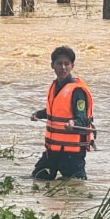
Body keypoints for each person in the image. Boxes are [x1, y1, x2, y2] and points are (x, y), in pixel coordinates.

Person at [30, 46, 94, 180]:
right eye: (59, 63)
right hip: (53, 150)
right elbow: (54, 112)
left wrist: (74, 123)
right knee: (38, 178)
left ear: (72, 66)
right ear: (52, 65)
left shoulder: (77, 91)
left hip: (72, 154)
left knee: (76, 185)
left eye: (67, 64)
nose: (63, 67)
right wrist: (39, 114)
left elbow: (82, 119)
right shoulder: (54, 86)